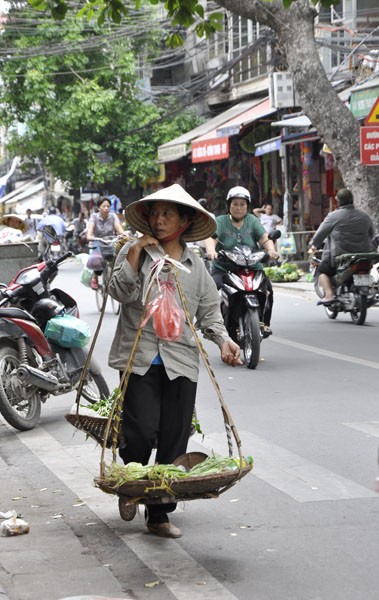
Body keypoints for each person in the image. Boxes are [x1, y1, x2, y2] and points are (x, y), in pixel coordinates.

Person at [107, 183, 242, 539]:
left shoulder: (195, 266)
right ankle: (132, 483)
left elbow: (210, 313)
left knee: (173, 440)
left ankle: (159, 514)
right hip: (139, 358)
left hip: (180, 360)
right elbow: (118, 292)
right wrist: (135, 250)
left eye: (168, 214)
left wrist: (224, 340)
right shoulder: (133, 252)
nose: (159, 219)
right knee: (139, 433)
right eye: (155, 213)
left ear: (184, 221)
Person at [204, 186, 278, 336]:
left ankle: (265, 323)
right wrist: (211, 251)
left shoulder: (252, 221)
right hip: (225, 268)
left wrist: (271, 250)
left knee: (268, 289)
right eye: (235, 204)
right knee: (214, 289)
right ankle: (213, 324)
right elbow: (211, 238)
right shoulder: (221, 221)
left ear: (247, 206)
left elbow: (264, 238)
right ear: (229, 205)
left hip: (251, 266)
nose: (238, 208)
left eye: (242, 204)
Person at [309, 187, 376, 305]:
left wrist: (313, 245)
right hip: (365, 255)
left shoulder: (333, 216)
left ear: (338, 201)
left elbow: (320, 234)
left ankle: (329, 295)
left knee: (322, 271)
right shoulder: (364, 216)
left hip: (341, 257)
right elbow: (372, 235)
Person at [86, 196, 125, 289]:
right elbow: (90, 231)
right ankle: (94, 278)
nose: (106, 208)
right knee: (97, 261)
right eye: (104, 206)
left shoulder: (113, 216)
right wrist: (90, 237)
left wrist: (123, 235)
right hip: (97, 243)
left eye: (108, 206)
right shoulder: (94, 217)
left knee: (119, 258)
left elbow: (119, 229)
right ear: (99, 207)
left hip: (110, 243)